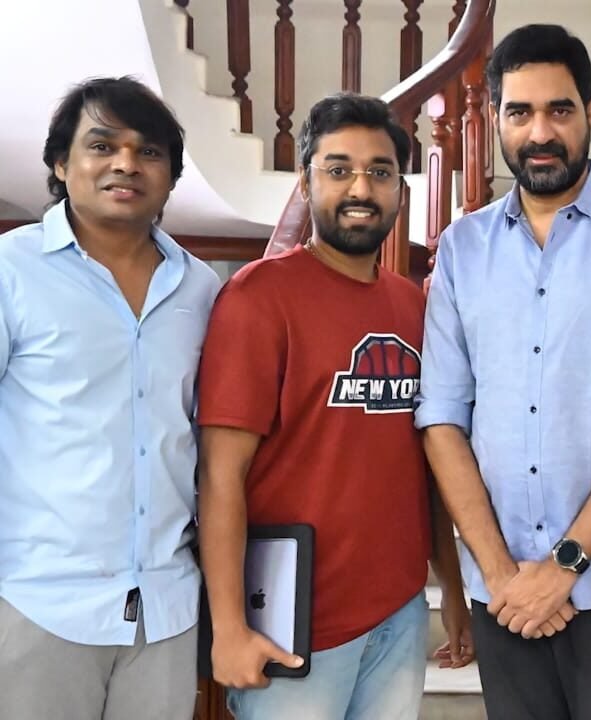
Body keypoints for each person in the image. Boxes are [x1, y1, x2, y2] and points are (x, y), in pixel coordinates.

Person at [416, 23, 591, 720]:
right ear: (496, 118)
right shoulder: (462, 248)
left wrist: (565, 565)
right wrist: (501, 573)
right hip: (500, 583)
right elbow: (442, 419)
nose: (540, 132)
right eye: (520, 112)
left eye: (559, 110)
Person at [196, 93, 472, 720]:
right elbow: (220, 474)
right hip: (292, 624)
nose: (361, 188)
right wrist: (228, 625)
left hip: (399, 612)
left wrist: (451, 587)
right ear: (305, 182)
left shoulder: (414, 307)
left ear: (400, 190)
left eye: (380, 171)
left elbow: (429, 464)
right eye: (339, 169)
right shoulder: (258, 298)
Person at [0, 76, 220, 720]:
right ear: (59, 163)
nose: (127, 163)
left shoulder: (200, 288)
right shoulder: (11, 270)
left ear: (171, 176)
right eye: (102, 146)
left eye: (149, 151)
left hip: (166, 607)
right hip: (38, 602)